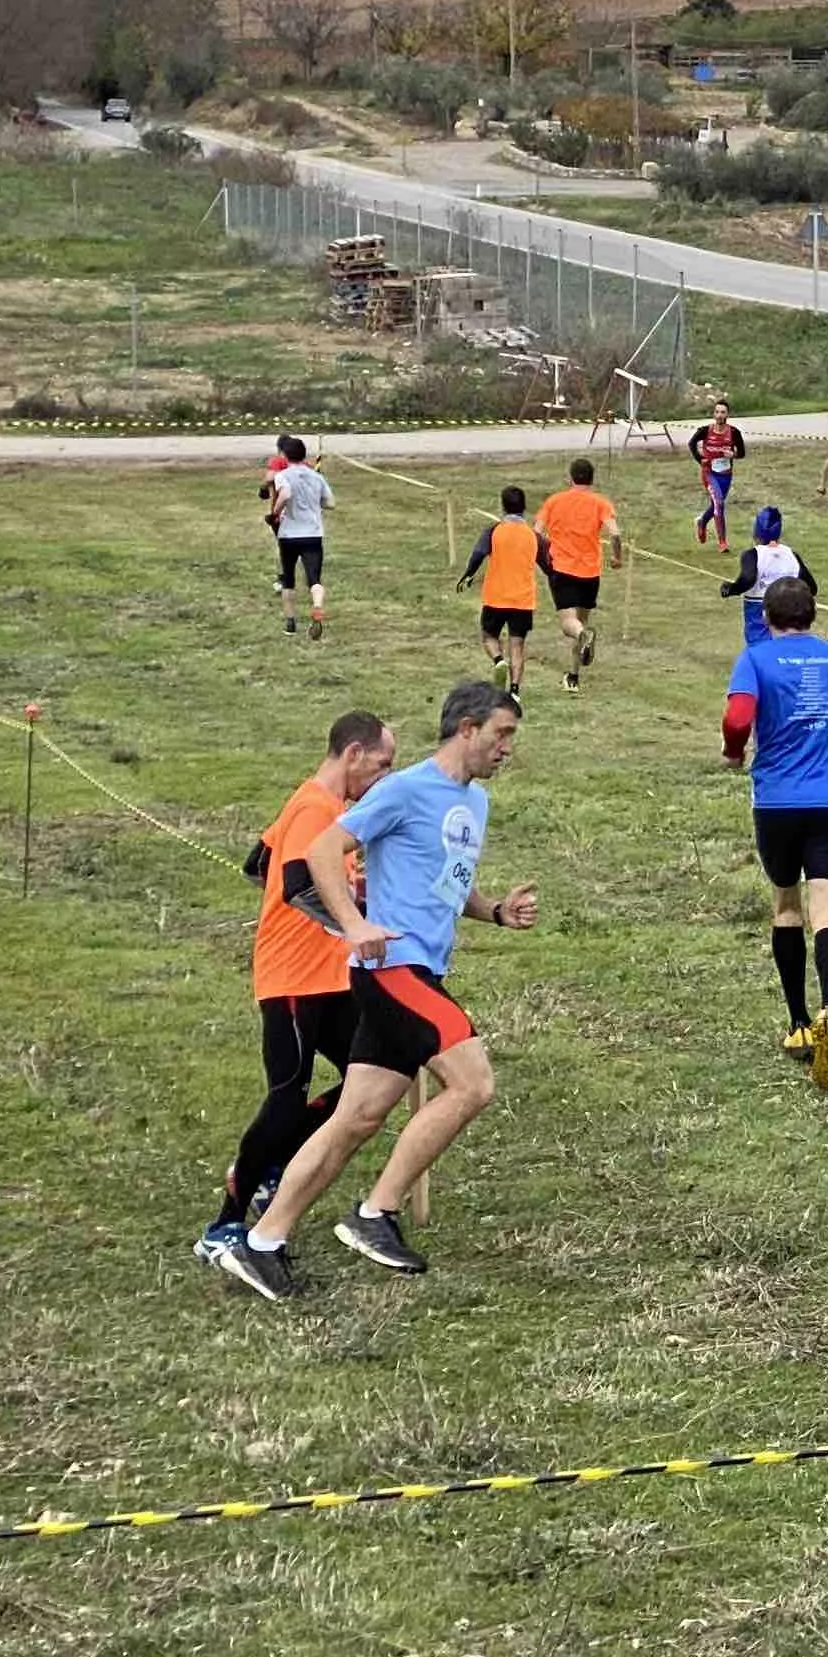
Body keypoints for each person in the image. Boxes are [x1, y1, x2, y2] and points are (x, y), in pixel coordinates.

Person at [214, 680, 537, 1300]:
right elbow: (322, 850)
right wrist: (356, 925)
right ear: (466, 730)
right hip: (394, 970)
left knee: (355, 1117)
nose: (507, 749)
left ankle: (261, 1244)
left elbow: (447, 879)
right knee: (473, 1083)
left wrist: (493, 911)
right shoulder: (406, 789)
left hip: (422, 970)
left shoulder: (474, 803)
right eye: (501, 735)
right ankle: (374, 1213)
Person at [200, 709, 395, 1266]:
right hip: (292, 979)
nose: (382, 778)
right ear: (352, 754)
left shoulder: (320, 808)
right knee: (286, 1096)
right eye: (381, 764)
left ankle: (277, 1161)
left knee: (379, 1078)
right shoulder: (314, 809)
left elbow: (256, 861)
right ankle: (226, 1225)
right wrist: (361, 912)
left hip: (332, 978)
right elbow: (293, 886)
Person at [723, 573, 828, 1092]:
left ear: (767, 618)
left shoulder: (755, 658)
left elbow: (737, 717)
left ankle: (798, 1024)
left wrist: (735, 751)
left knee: (786, 906)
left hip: (776, 803)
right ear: (812, 616)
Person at [537, 459, 624, 688]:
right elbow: (615, 533)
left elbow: (536, 532)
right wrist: (617, 557)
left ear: (571, 477)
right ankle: (573, 677)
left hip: (562, 568)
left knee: (569, 623)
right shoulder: (600, 503)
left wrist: (542, 554)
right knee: (581, 621)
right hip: (590, 572)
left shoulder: (554, 501)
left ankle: (584, 637)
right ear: (592, 478)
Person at [460, 485, 545, 694]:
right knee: (517, 646)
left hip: (496, 597)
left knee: (489, 636)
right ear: (524, 508)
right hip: (523, 600)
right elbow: (548, 564)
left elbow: (478, 554)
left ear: (503, 507)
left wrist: (469, 574)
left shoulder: (493, 531)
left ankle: (498, 660)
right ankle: (515, 691)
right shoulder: (533, 536)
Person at [262, 437, 333, 640]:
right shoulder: (316, 477)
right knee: (314, 579)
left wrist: (275, 514)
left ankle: (291, 623)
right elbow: (330, 503)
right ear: (304, 455)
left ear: (285, 455)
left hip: (289, 535)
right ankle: (317, 606)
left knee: (289, 580)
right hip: (312, 534)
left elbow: (285, 495)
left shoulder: (283, 475)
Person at [721, 506, 809, 646]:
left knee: (761, 651)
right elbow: (811, 586)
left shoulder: (753, 555)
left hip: (760, 616)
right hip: (790, 612)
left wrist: (731, 588)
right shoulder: (791, 555)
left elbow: (748, 579)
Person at [687, 397, 745, 546]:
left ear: (727, 415)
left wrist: (733, 455)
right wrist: (700, 460)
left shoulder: (734, 432)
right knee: (719, 503)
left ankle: (702, 521)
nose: (719, 415)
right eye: (717, 412)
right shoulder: (705, 430)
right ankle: (722, 542)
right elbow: (691, 443)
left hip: (725, 474)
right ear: (714, 414)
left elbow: (742, 453)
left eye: (723, 412)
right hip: (709, 473)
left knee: (716, 505)